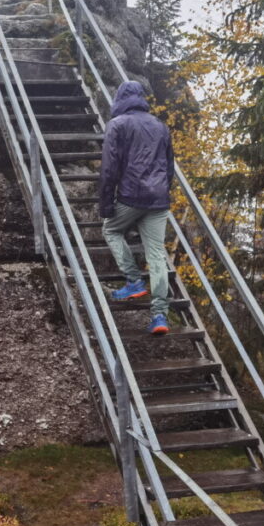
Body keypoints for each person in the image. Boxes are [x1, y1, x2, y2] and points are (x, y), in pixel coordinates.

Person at [98, 81, 175, 335]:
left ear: (120, 99)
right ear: (142, 98)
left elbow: (109, 169)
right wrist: (163, 192)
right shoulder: (161, 126)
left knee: (111, 230)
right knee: (157, 255)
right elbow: (169, 166)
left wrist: (106, 203)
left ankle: (133, 280)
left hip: (131, 197)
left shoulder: (117, 125)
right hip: (159, 199)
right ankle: (160, 315)